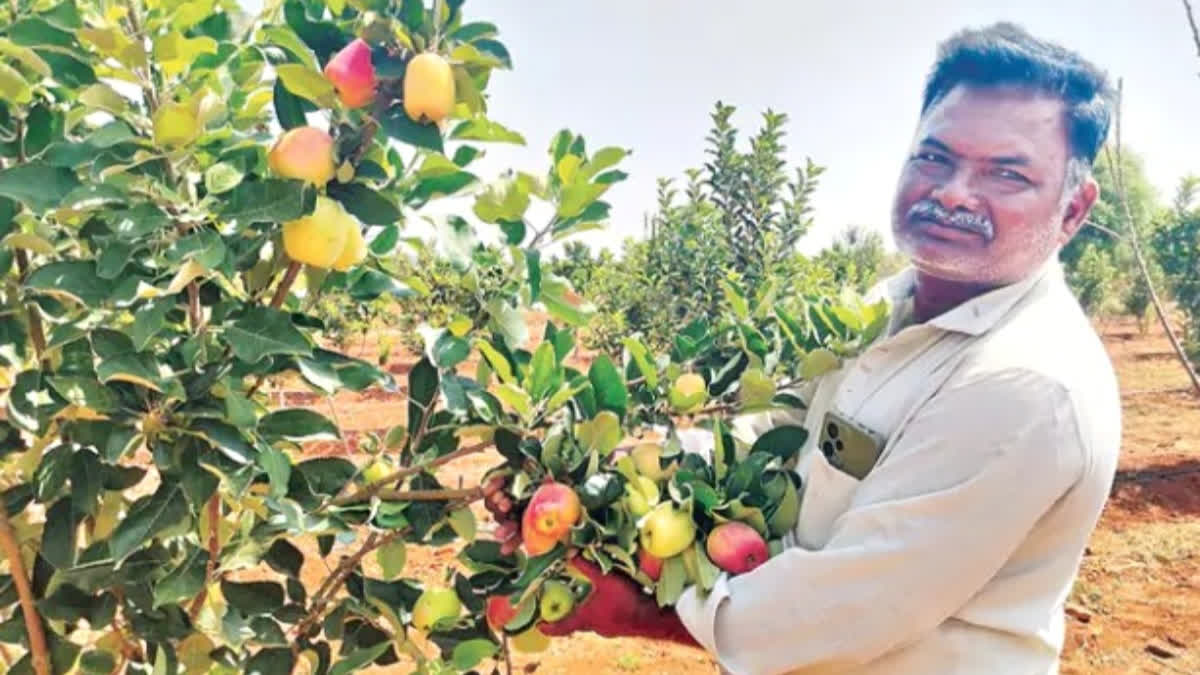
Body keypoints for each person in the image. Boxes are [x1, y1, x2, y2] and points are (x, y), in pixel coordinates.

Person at [483, 21, 1122, 674]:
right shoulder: (887, 306)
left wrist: (623, 608)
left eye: (1007, 174)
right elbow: (776, 429)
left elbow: (827, 618)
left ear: (1073, 210)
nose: (954, 191)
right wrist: (606, 478)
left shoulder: (1025, 386)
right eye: (935, 157)